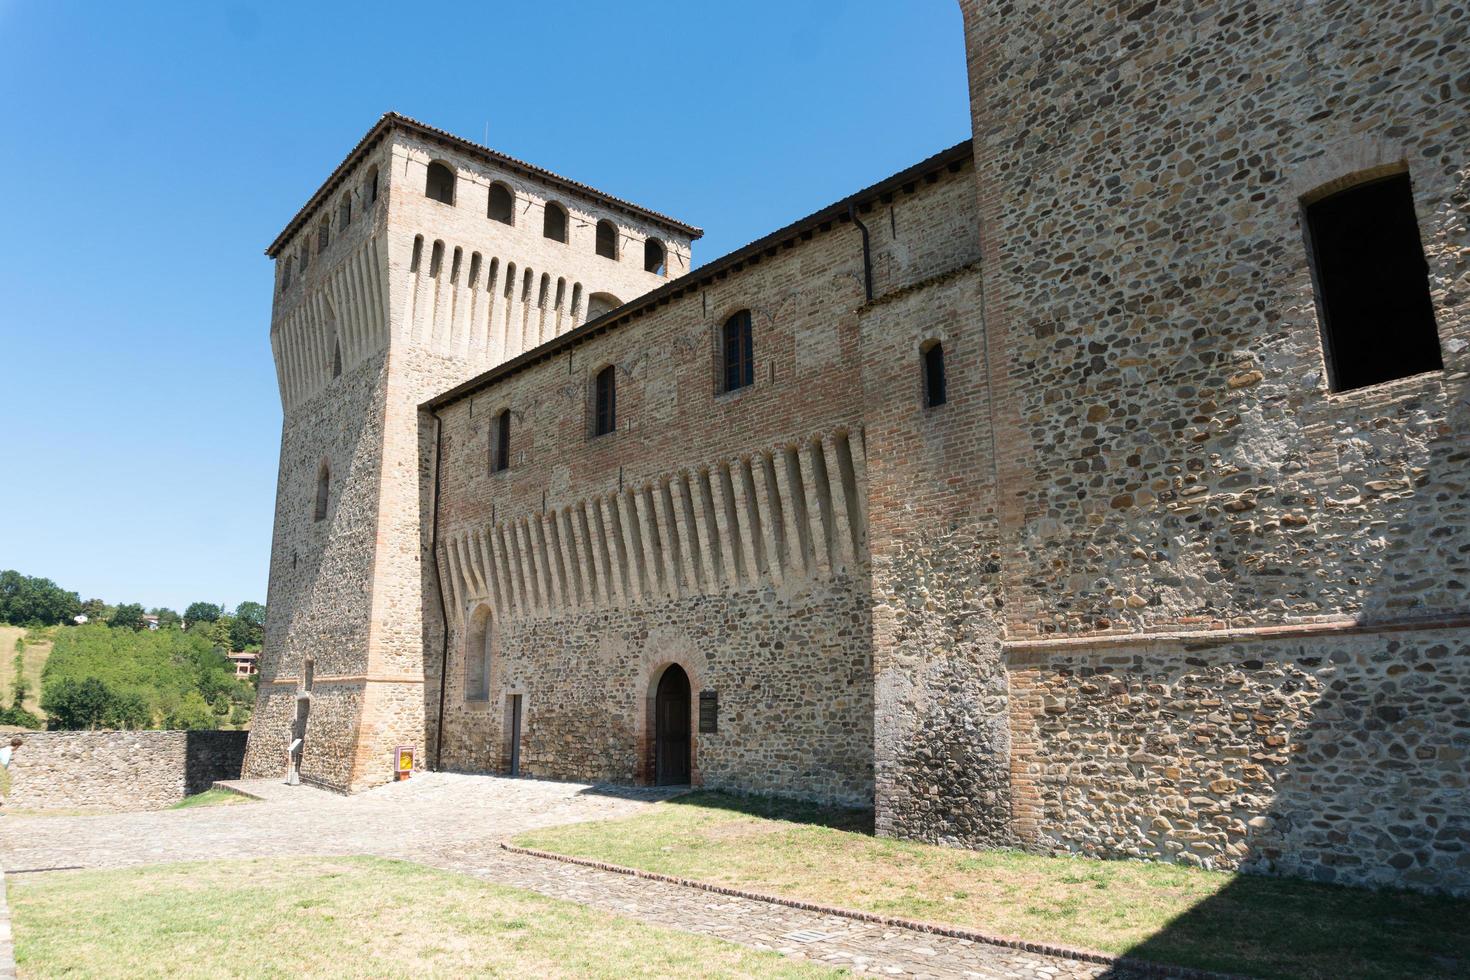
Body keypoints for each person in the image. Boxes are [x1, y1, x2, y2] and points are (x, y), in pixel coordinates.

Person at [0, 735, 21, 813]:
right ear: (16, 746)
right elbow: (3, 763)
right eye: (18, 747)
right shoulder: (8, 751)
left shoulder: (4, 749)